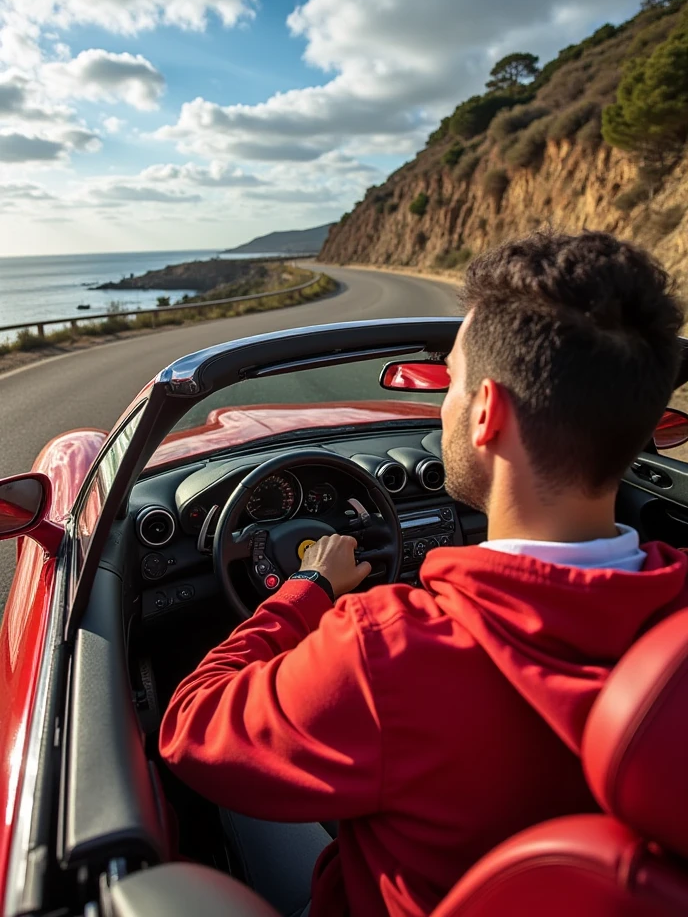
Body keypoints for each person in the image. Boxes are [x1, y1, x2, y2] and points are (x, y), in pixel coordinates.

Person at [159, 232, 688, 917]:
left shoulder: (382, 650)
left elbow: (190, 728)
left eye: (452, 382)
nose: (441, 405)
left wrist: (307, 592)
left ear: (487, 413)